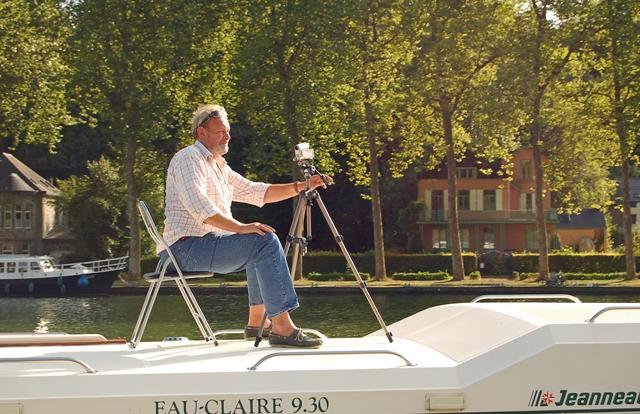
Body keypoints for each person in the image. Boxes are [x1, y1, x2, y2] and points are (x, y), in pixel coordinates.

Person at [159, 104, 327, 348]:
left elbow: (256, 191)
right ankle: (282, 327)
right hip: (183, 249)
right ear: (201, 133)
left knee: (258, 238)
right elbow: (199, 207)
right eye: (220, 131)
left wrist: (302, 185)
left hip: (201, 245)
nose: (227, 136)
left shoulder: (218, 166)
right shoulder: (188, 158)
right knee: (262, 240)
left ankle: (256, 325)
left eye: (227, 131)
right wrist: (239, 227)